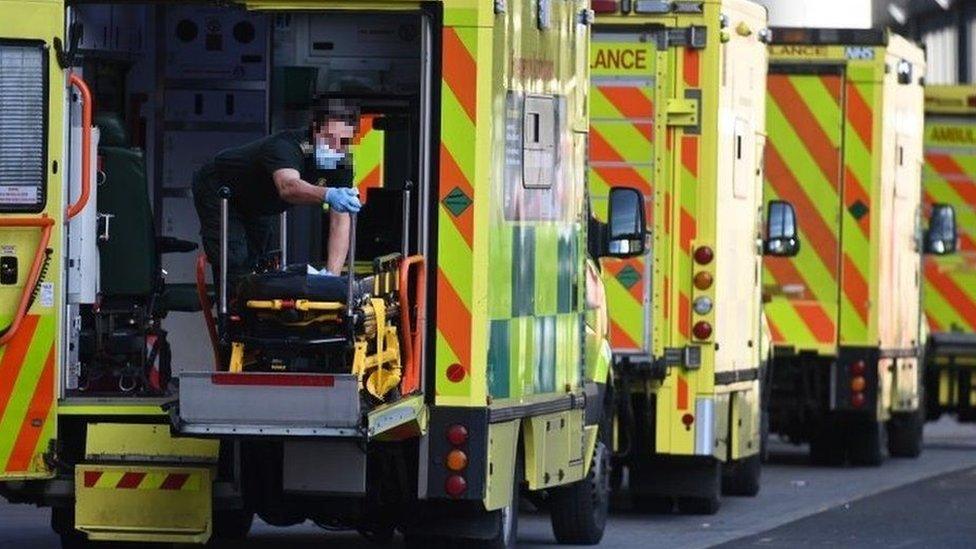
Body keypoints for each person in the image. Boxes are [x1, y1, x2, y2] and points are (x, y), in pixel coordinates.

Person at [192, 104, 362, 295]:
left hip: (258, 200)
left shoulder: (341, 162)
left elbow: (340, 221)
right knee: (234, 259)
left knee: (258, 261)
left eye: (344, 141)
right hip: (219, 187)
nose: (336, 146)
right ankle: (235, 320)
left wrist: (331, 278)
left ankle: (257, 317)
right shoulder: (287, 145)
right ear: (315, 130)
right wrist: (328, 194)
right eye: (330, 138)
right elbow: (288, 187)